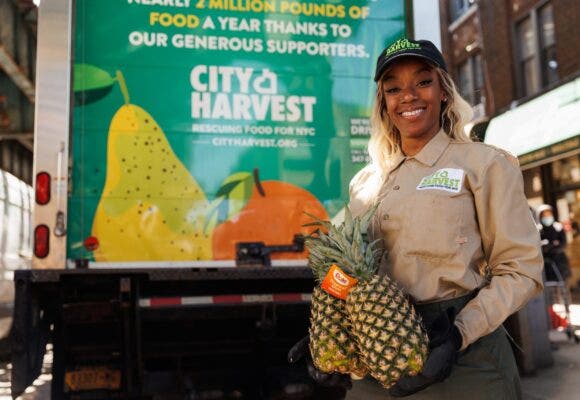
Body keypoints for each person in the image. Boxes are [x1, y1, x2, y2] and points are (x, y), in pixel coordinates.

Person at [289, 38, 543, 399]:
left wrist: (458, 334)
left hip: (464, 359)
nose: (408, 96)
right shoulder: (365, 182)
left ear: (443, 91)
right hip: (375, 351)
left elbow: (522, 270)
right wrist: (333, 330)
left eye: (423, 82)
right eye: (394, 88)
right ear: (384, 103)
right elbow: (352, 270)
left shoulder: (484, 164)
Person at [536, 204, 571, 282]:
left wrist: (549, 246)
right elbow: (538, 247)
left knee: (562, 285)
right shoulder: (538, 230)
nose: (547, 217)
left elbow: (563, 244)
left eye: (549, 215)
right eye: (544, 216)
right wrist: (553, 244)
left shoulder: (558, 227)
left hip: (559, 262)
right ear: (540, 217)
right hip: (546, 265)